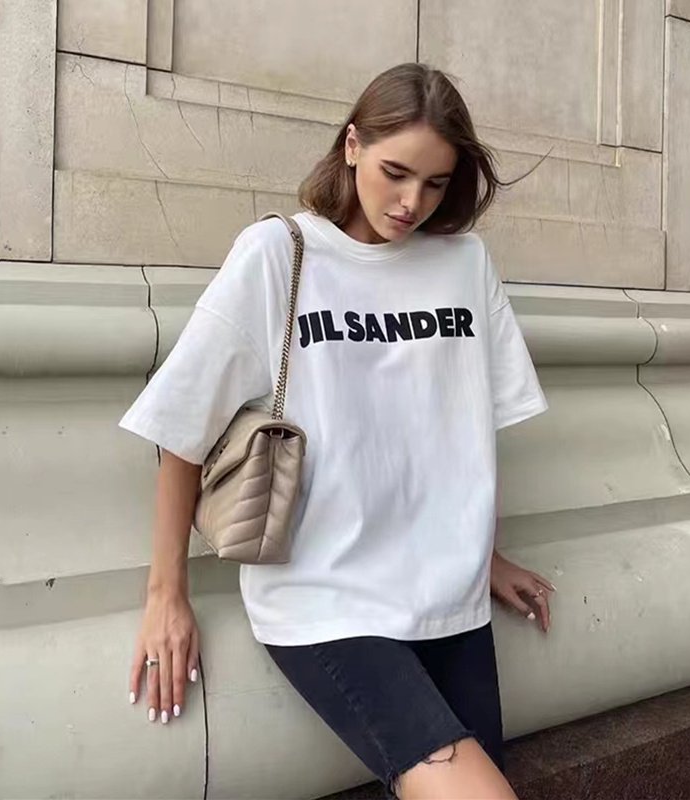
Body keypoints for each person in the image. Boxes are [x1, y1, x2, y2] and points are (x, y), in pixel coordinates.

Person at [119, 62, 553, 800]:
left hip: (449, 599)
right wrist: (167, 593)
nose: (411, 202)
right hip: (326, 600)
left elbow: (458, 423)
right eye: (395, 173)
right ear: (352, 145)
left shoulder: (464, 264)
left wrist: (486, 556)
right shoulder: (279, 254)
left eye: (437, 183)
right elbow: (182, 423)